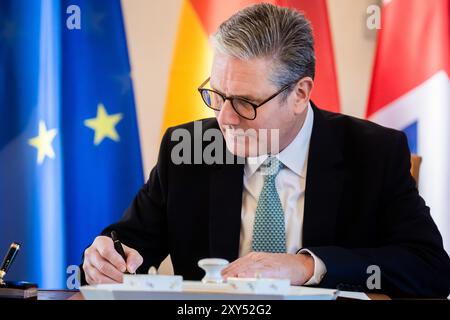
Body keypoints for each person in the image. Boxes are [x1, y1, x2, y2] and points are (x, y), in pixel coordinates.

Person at [81, 3, 450, 297]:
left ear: (300, 94)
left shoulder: (373, 153)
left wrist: (308, 266)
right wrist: (106, 258)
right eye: (218, 96)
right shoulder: (189, 148)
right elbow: (130, 248)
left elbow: (431, 269)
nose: (224, 118)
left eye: (245, 102)